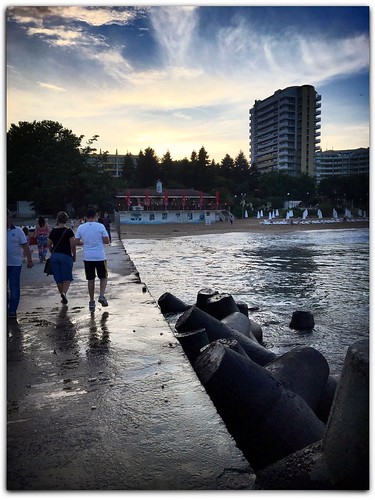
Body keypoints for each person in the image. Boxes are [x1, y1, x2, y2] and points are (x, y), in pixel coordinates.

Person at [74, 208, 109, 312]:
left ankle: (91, 301)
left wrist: (85, 243)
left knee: (91, 279)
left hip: (87, 257)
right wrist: (99, 240)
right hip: (100, 256)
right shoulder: (100, 226)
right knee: (103, 277)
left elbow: (76, 241)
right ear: (96, 216)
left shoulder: (81, 227)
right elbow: (107, 241)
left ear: (86, 217)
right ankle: (101, 295)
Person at [7, 209, 34, 319]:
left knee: (14, 287)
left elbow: (25, 246)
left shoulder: (17, 231)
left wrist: (30, 260)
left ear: (9, 217)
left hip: (15, 264)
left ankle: (12, 310)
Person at [48, 211, 76, 305]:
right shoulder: (69, 231)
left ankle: (62, 295)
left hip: (55, 256)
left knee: (58, 278)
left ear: (57, 219)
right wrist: (74, 255)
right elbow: (73, 244)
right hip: (66, 256)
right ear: (66, 220)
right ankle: (64, 293)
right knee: (67, 277)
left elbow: (49, 244)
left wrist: (52, 251)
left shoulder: (53, 231)